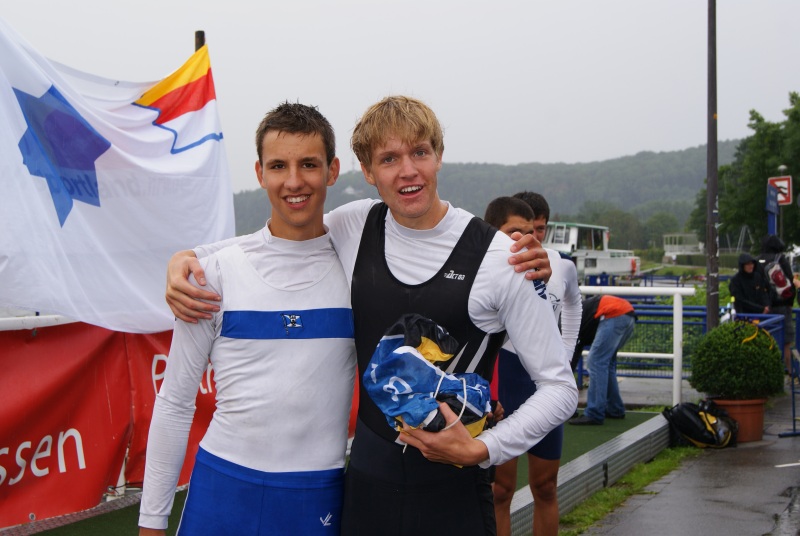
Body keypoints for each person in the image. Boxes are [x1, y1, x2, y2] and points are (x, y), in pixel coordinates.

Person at [165, 96, 577, 535]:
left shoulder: (501, 258)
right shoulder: (356, 225)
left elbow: (559, 388)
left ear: (438, 156)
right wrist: (188, 258)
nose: (407, 171)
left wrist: (486, 448)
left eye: (419, 152)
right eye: (389, 159)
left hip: (454, 495)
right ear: (367, 170)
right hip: (367, 491)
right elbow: (276, 237)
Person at [138, 103, 357, 535]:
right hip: (222, 492)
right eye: (278, 166)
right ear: (259, 173)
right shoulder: (213, 273)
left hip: (314, 498)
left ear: (332, 171)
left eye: (308, 164)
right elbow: (176, 402)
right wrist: (151, 522)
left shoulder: (356, 270)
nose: (293, 181)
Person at [484, 194, 581, 536]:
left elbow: (574, 304)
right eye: (522, 230)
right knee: (500, 491)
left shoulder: (560, 265)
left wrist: (566, 354)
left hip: (541, 385)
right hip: (505, 380)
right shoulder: (488, 268)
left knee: (546, 487)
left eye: (538, 230)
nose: (531, 238)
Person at [569, 295, 635, 425]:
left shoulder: (564, 327)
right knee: (607, 363)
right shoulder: (570, 320)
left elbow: (568, 363)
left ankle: (594, 413)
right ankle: (615, 409)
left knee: (596, 362)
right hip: (627, 314)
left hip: (612, 314)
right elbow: (573, 357)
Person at [758, 234, 796, 372]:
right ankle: (789, 372)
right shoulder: (780, 259)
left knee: (765, 339)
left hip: (763, 308)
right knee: (786, 341)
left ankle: (767, 371)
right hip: (782, 305)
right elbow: (789, 282)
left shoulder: (758, 260)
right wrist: (790, 301)